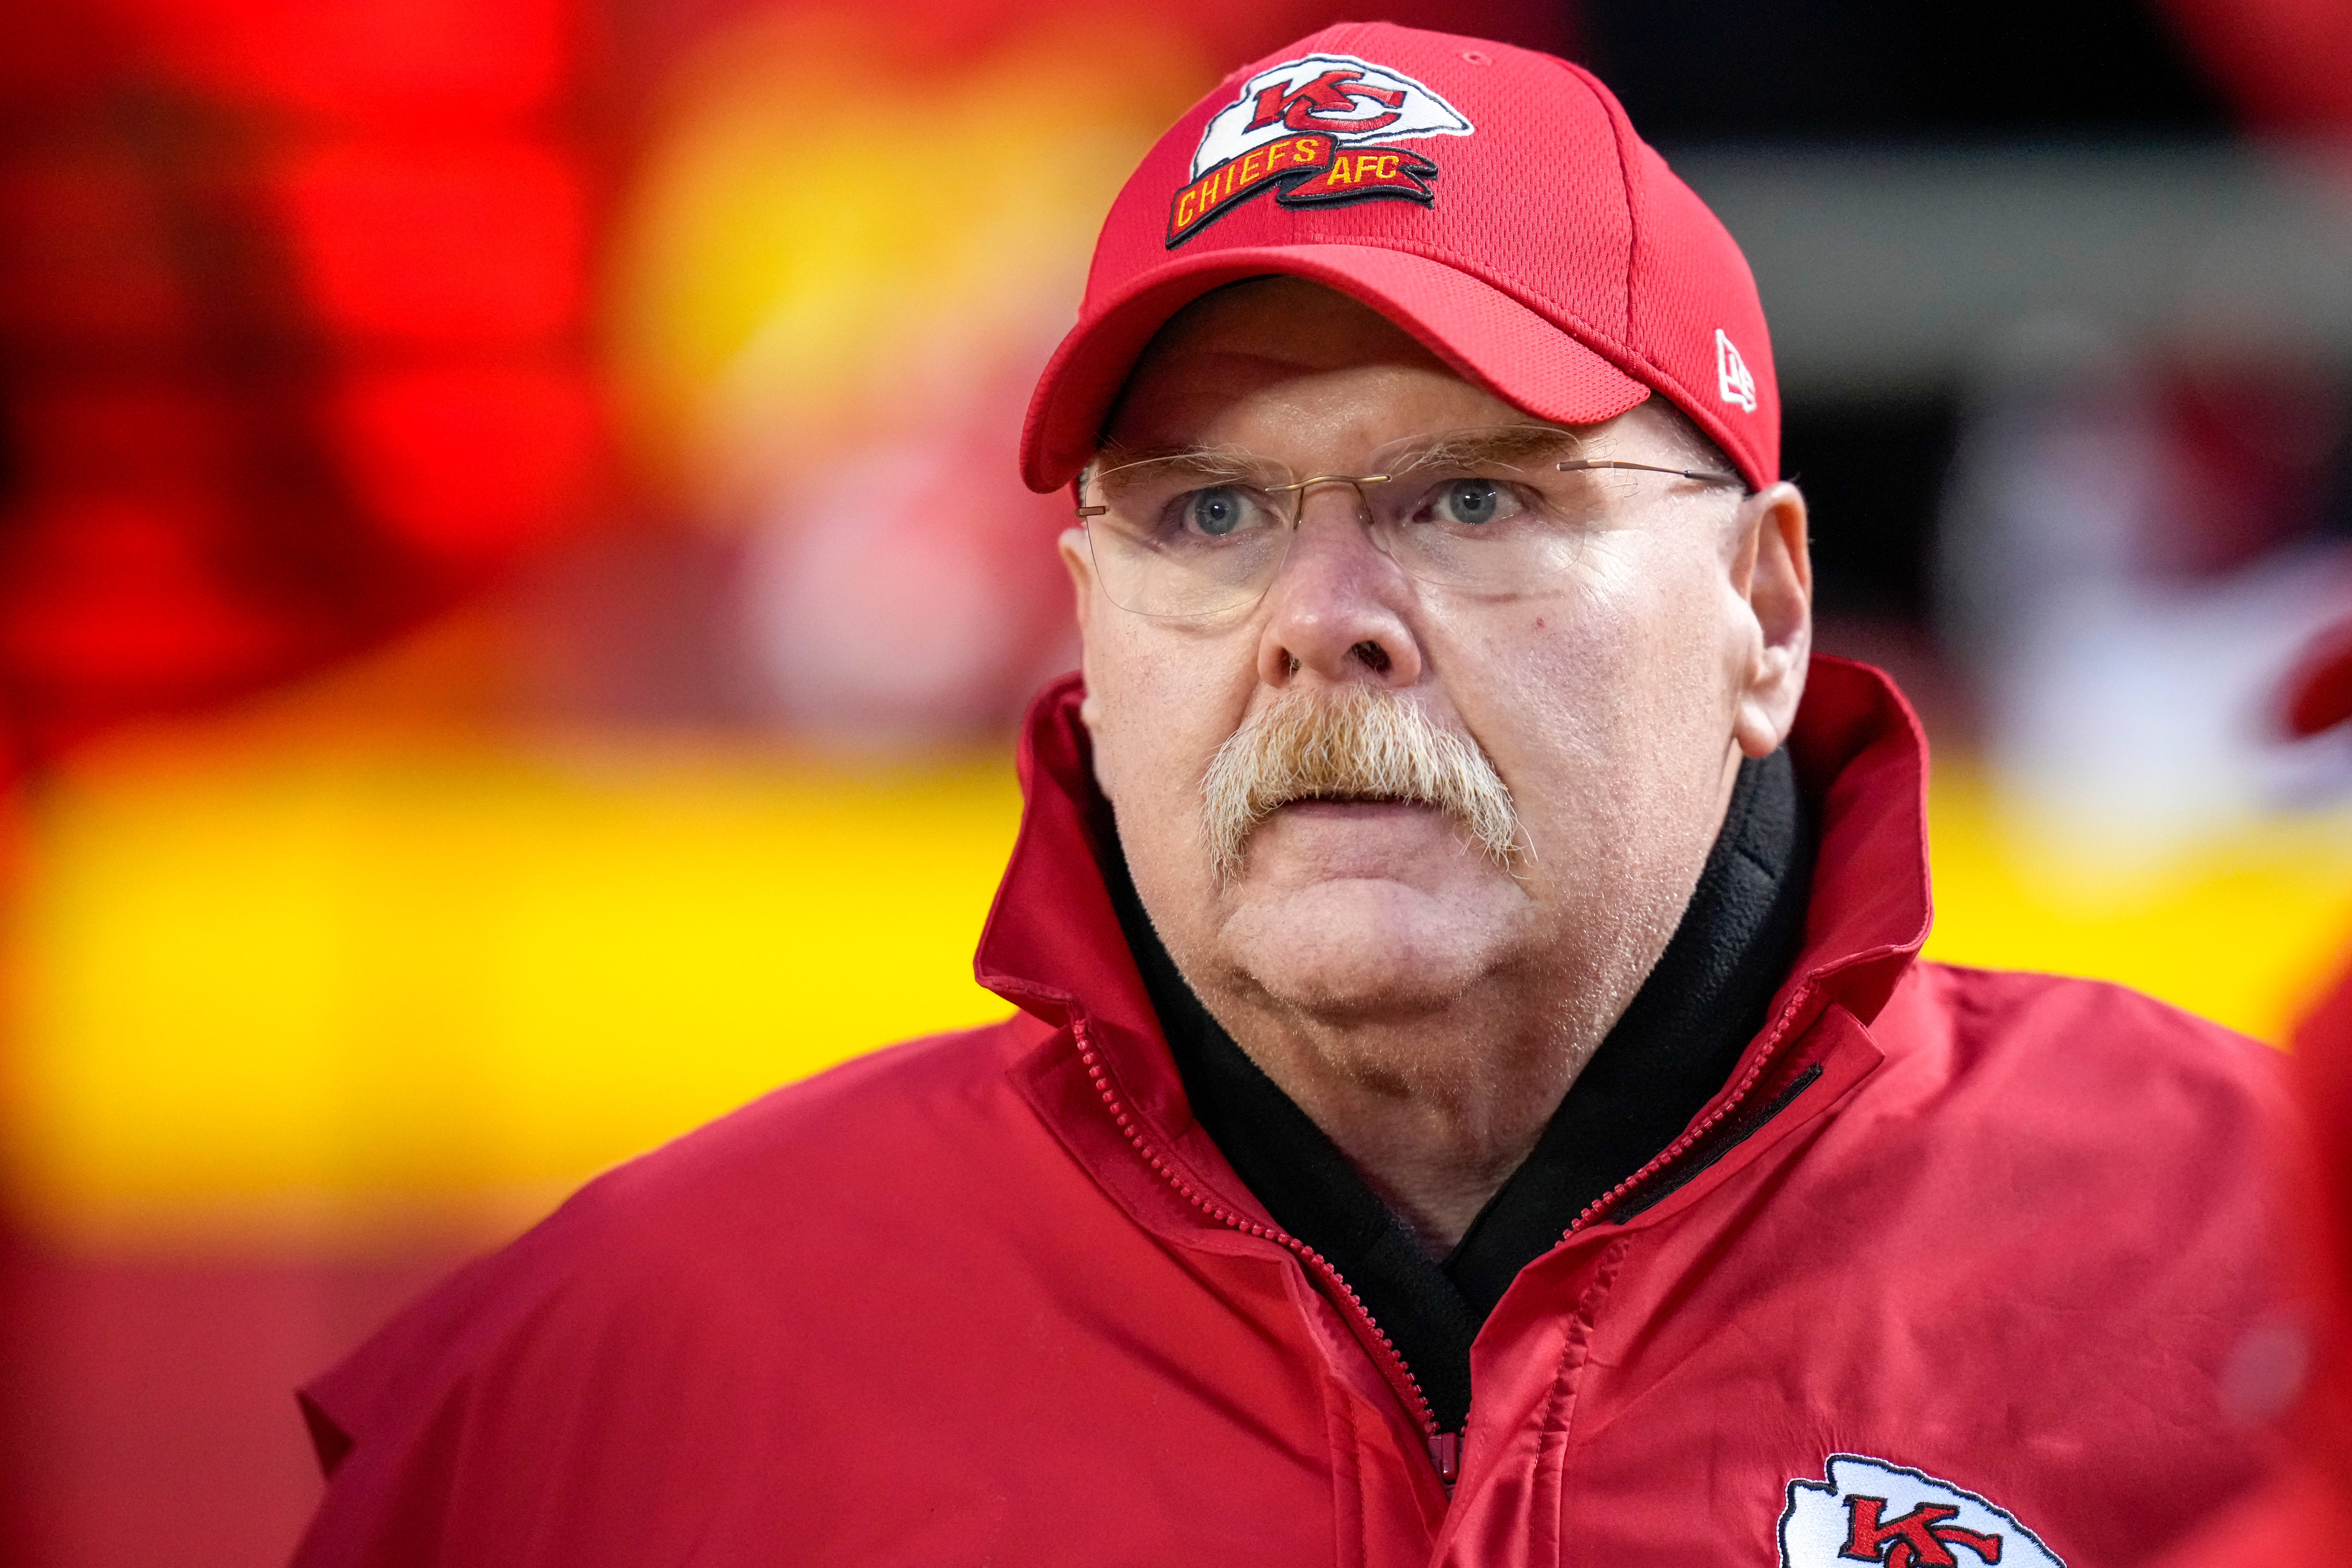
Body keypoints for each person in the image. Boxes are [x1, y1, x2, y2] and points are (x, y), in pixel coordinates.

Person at [290, 23, 2291, 1567]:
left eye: (1473, 494)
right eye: (1210, 512)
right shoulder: (627, 1366)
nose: (1321, 619)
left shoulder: (2252, 1252)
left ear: (1761, 609)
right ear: (1085, 617)